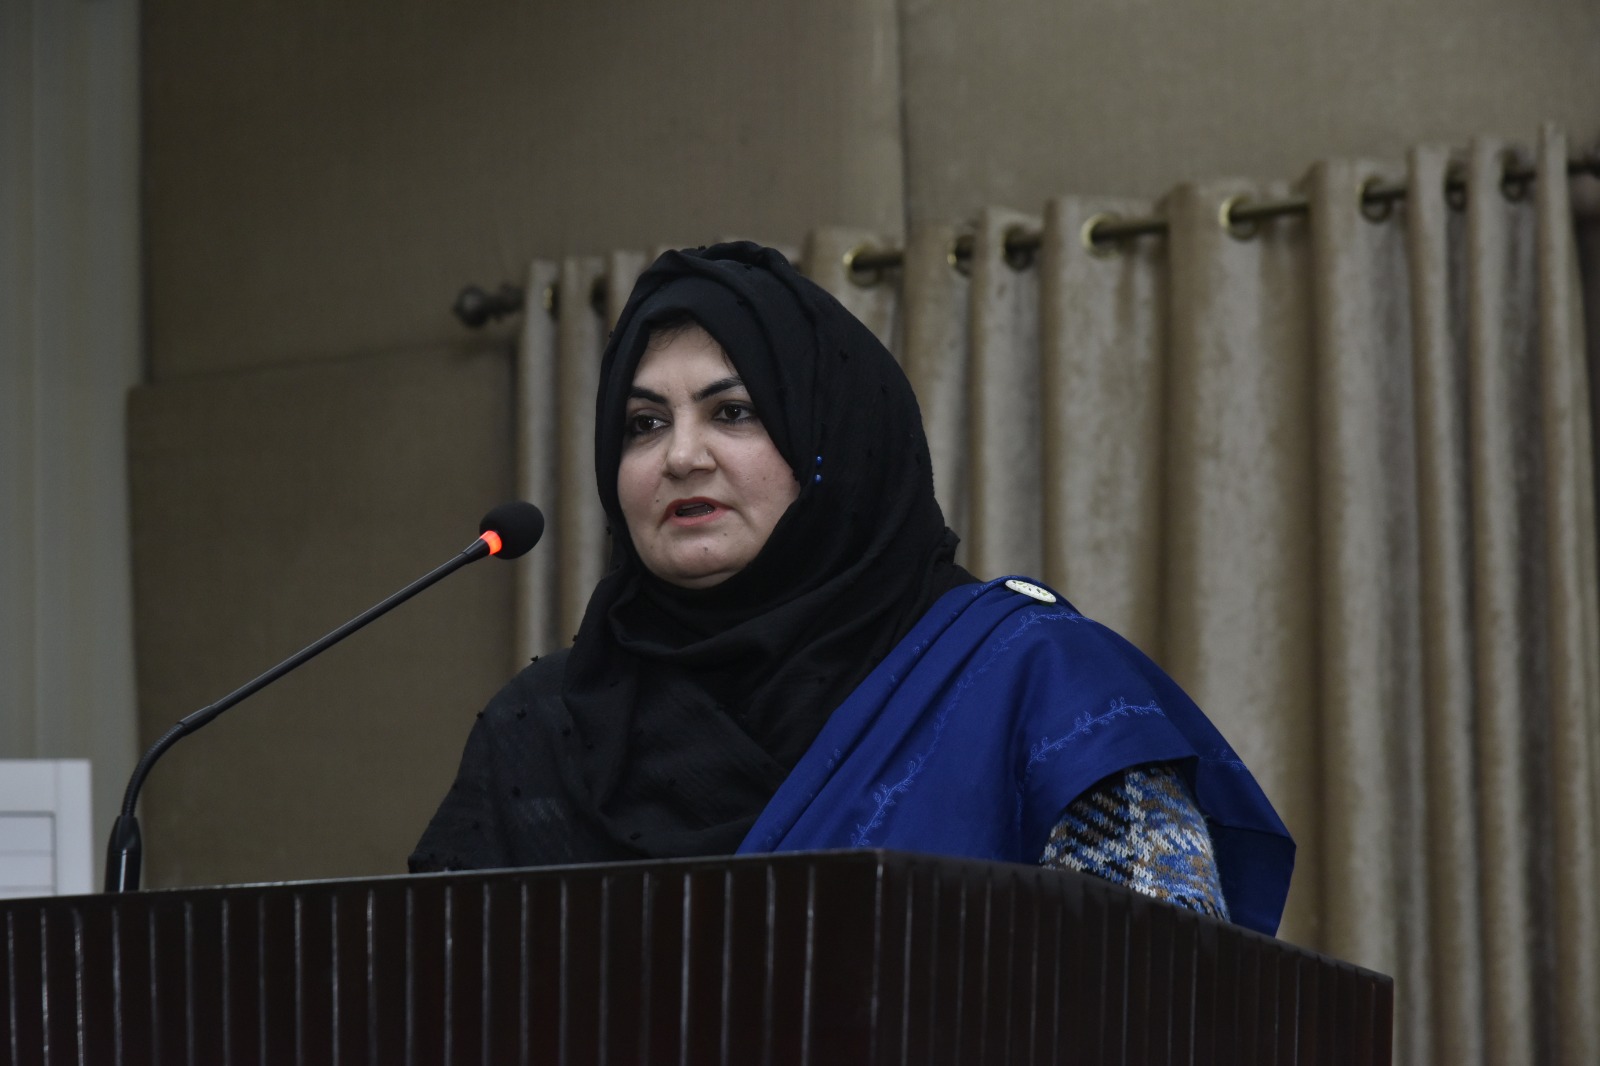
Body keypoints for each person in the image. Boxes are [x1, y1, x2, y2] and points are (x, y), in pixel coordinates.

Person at [411, 242, 1295, 936]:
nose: (680, 456)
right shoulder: (542, 728)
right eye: (643, 424)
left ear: (834, 444)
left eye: (732, 412)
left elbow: (1160, 1004)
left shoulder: (1033, 685)